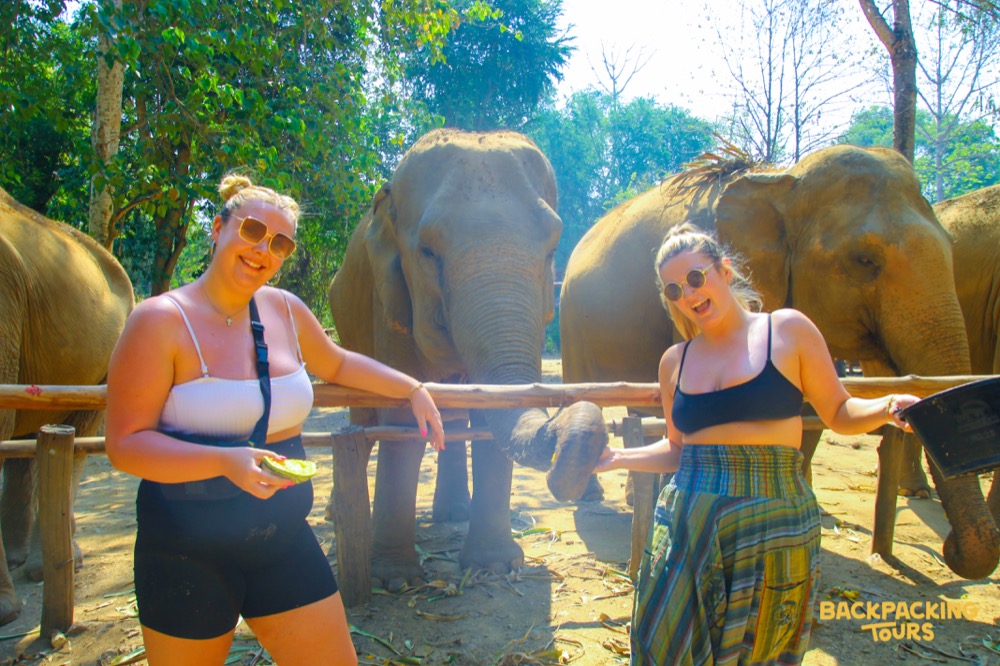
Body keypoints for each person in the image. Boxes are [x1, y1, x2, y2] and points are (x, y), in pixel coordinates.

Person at [105, 175, 445, 666]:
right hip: (185, 549)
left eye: (280, 243)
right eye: (252, 231)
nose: (263, 250)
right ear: (218, 229)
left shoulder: (285, 310)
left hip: (281, 537)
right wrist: (227, 462)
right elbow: (125, 444)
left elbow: (338, 363)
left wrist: (412, 388)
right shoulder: (158, 321)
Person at [594, 223, 918, 666]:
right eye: (674, 289)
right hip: (688, 529)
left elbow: (839, 411)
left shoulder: (787, 331)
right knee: (666, 642)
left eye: (695, 277)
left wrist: (887, 406)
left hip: (773, 525)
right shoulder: (675, 362)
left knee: (758, 650)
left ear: (724, 271)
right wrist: (615, 458)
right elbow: (677, 450)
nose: (689, 294)